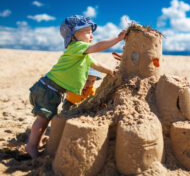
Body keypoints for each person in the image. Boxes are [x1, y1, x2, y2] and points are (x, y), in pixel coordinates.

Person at [25, 15, 127, 159]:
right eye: (86, 32)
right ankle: (31, 145)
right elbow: (98, 46)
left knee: (46, 118)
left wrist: (110, 71)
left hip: (52, 90)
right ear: (73, 36)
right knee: (42, 120)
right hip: (47, 89)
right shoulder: (76, 47)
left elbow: (96, 65)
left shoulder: (83, 54)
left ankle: (37, 143)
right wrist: (117, 39)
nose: (91, 35)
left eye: (91, 32)